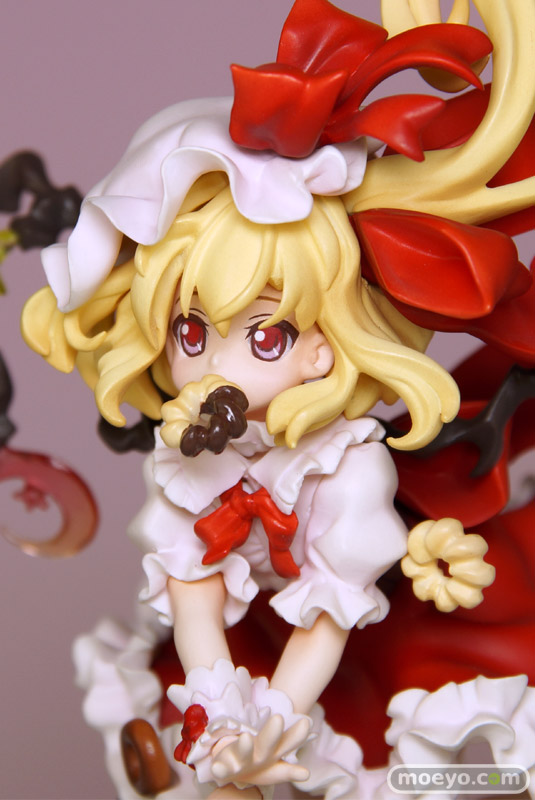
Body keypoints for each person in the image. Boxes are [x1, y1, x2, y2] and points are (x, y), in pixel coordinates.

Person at [20, 0, 534, 797]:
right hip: (252, 630)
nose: (213, 368)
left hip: (369, 621)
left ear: (324, 346)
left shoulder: (347, 468)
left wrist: (273, 722)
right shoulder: (187, 452)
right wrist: (220, 720)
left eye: (265, 338)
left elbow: (328, 618)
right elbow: (192, 595)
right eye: (191, 331)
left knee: (416, 741)